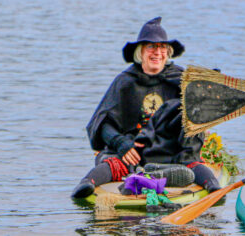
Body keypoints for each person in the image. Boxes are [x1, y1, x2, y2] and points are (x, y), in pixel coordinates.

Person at [71, 17, 221, 199]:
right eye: (151, 47)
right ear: (140, 52)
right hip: (134, 150)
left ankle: (212, 185)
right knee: (113, 164)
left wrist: (206, 90)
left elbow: (199, 113)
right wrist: (122, 144)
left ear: (168, 53)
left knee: (190, 162)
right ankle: (88, 183)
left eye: (162, 47)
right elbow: (103, 123)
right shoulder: (125, 82)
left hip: (170, 149)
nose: (157, 52)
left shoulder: (183, 79)